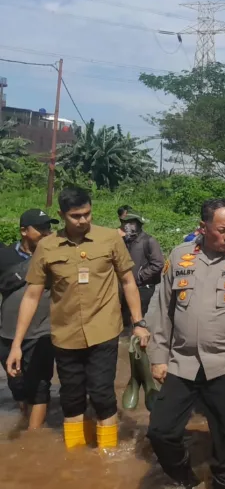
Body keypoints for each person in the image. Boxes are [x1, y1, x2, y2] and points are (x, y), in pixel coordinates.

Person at [6, 187, 150, 450]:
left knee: (102, 395)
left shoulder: (109, 238)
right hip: (65, 335)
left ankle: (106, 457)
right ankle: (75, 458)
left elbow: (128, 281)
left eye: (87, 214)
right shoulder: (47, 247)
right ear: (62, 215)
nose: (83, 220)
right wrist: (17, 344)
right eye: (75, 216)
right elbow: (31, 296)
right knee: (71, 399)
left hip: (104, 331)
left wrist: (139, 323)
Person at [146, 199, 225, 489]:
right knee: (160, 431)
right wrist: (158, 357)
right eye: (223, 230)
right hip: (183, 362)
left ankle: (224, 484)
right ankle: (186, 479)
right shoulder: (180, 256)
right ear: (203, 227)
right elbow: (162, 309)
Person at [0, 209, 58, 430]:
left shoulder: (54, 255)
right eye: (41, 228)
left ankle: (33, 435)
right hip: (7, 331)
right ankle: (26, 419)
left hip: (42, 331)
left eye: (48, 228)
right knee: (17, 385)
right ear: (24, 231)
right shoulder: (5, 257)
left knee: (40, 385)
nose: (46, 232)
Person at [119, 210, 164, 326]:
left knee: (137, 317)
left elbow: (158, 264)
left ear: (139, 224)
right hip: (126, 286)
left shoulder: (149, 241)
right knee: (123, 317)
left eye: (131, 222)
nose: (127, 226)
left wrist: (139, 276)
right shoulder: (124, 240)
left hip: (143, 287)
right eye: (125, 222)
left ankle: (137, 334)